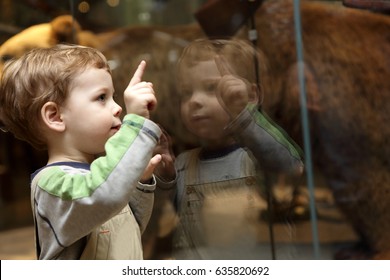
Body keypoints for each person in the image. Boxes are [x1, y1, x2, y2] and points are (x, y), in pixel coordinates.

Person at [0, 44, 162, 260]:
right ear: (55, 116)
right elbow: (104, 196)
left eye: (113, 96)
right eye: (101, 98)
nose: (118, 108)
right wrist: (136, 124)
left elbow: (128, 231)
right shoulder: (52, 185)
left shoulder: (100, 177)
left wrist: (138, 184)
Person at [154, 38, 304, 259]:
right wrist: (165, 175)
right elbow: (170, 216)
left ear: (251, 96)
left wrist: (243, 115)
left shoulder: (258, 156)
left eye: (212, 88)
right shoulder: (183, 163)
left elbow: (291, 166)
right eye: (186, 92)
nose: (195, 100)